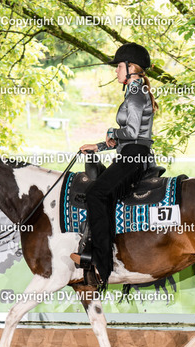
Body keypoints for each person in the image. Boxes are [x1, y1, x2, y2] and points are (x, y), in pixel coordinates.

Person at [70, 43, 159, 285]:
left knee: (96, 194)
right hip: (130, 152)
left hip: (134, 156)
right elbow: (126, 137)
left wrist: (111, 131)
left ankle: (101, 261)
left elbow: (130, 132)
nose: (116, 71)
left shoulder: (136, 94)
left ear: (132, 68)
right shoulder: (134, 92)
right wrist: (98, 146)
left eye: (119, 66)